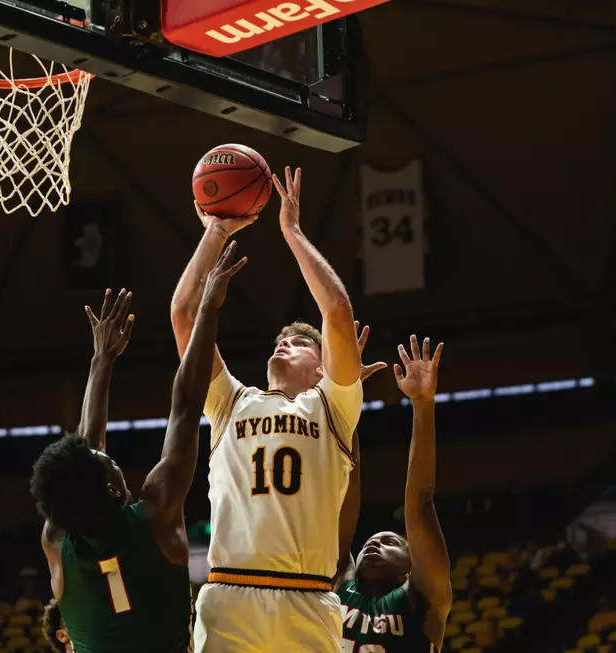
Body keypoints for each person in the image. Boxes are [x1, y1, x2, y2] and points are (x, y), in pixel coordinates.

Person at [170, 167, 365, 652]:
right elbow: (184, 315)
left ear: (323, 369)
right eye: (280, 340)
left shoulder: (333, 407)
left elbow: (337, 309)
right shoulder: (230, 401)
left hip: (309, 597)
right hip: (230, 595)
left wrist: (292, 232)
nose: (284, 344)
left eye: (299, 343)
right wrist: (215, 232)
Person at [32, 243, 246, 653]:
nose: (108, 455)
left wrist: (103, 361)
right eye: (108, 463)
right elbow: (186, 405)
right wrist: (206, 310)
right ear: (112, 490)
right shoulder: (156, 516)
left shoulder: (57, 540)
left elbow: (85, 453)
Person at [335, 335, 452, 653]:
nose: (372, 543)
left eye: (390, 541)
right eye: (371, 542)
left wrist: (423, 404)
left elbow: (420, 503)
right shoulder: (337, 584)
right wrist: (345, 398)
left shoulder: (422, 598)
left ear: (411, 566)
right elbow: (345, 484)